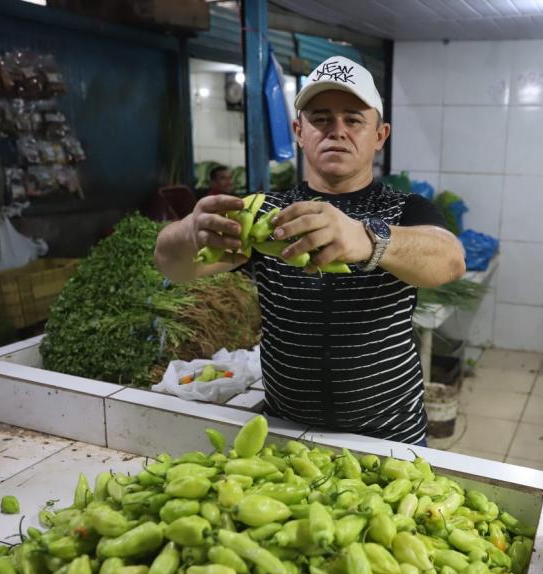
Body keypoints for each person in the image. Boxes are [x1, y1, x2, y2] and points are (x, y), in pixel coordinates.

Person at [155, 56, 465, 445]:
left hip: (390, 436)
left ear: (380, 135)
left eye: (353, 120)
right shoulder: (266, 214)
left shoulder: (404, 210)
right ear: (299, 131)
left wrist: (369, 240)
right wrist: (190, 233)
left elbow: (450, 260)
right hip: (287, 433)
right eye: (321, 119)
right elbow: (173, 267)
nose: (336, 131)